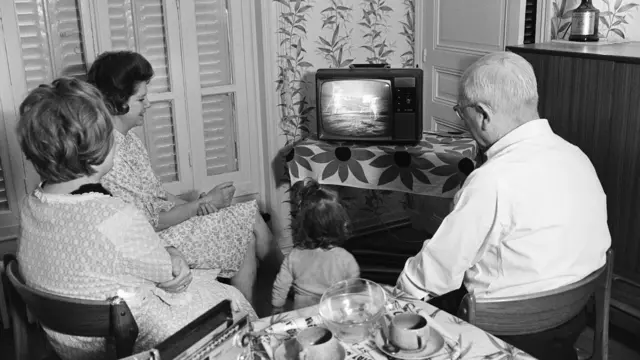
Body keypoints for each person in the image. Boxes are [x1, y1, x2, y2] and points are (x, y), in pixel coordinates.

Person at [16, 77, 257, 359]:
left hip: (66, 339)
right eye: (108, 135)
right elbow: (169, 275)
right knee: (232, 301)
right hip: (125, 339)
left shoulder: (31, 205)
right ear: (93, 156)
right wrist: (173, 252)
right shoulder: (116, 215)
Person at [396, 52, 611, 360]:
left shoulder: (492, 181)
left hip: (505, 335)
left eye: (461, 112)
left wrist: (395, 300)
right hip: (571, 321)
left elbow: (432, 275)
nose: (462, 120)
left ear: (482, 114)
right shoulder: (577, 156)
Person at [87, 51, 282, 305]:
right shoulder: (109, 153)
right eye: (141, 98)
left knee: (244, 227)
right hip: (154, 242)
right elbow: (148, 222)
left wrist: (202, 205)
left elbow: (154, 192)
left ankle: (253, 307)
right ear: (116, 102)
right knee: (248, 222)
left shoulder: (128, 138)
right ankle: (293, 279)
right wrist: (197, 206)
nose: (149, 104)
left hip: (167, 224)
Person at [271, 179, 360, 313]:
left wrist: (277, 306)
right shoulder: (345, 259)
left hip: (303, 313)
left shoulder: (295, 254)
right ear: (340, 226)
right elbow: (353, 290)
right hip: (334, 313)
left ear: (304, 225)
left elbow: (281, 284)